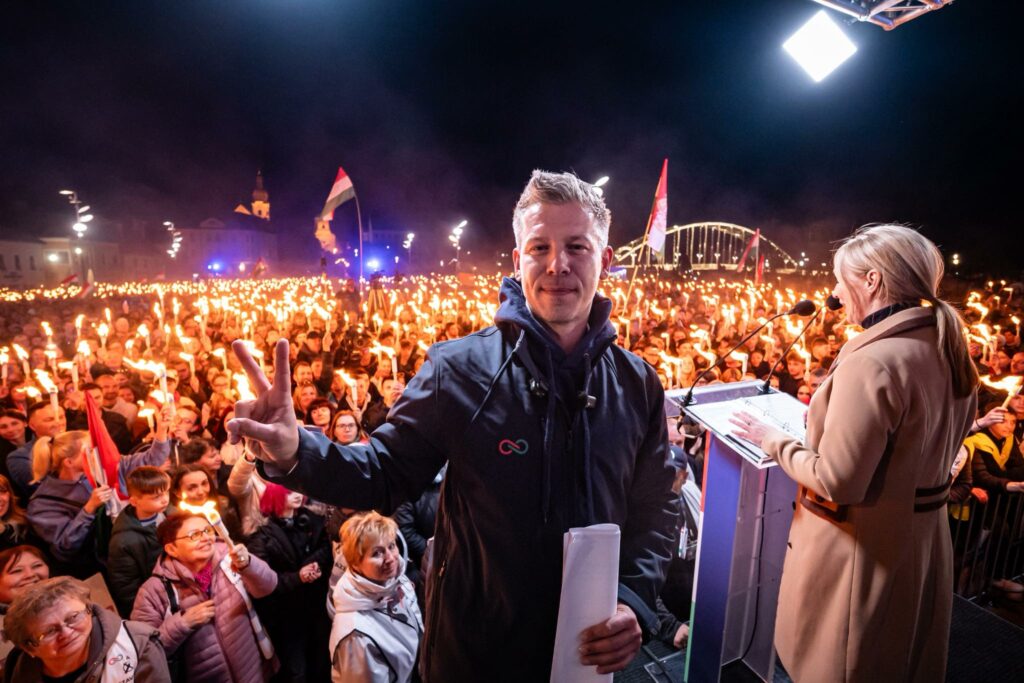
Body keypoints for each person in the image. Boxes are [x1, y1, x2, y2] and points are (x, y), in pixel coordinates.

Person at [228, 171, 678, 680]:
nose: (558, 264)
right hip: (477, 657)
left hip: (588, 656)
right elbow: (383, 472)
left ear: (606, 259)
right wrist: (295, 452)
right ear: (518, 260)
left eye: (577, 246)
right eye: (540, 247)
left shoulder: (637, 383)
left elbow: (656, 508)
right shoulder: (459, 370)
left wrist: (634, 599)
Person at [731, 224, 977, 683]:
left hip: (864, 552)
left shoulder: (873, 361)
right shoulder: (945, 347)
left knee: (848, 664)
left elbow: (838, 481)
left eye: (841, 278)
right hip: (921, 541)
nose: (836, 291)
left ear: (872, 280)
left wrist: (772, 439)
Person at [131, 513, 278, 683]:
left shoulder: (229, 559)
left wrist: (248, 565)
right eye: (194, 535)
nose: (206, 538)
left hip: (252, 669)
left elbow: (269, 585)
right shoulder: (154, 591)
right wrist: (182, 624)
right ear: (172, 549)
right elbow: (143, 652)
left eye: (208, 530)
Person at [27, 430, 169, 579]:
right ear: (69, 462)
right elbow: (64, 547)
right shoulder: (43, 502)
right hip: (97, 569)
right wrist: (89, 508)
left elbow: (152, 459)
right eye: (90, 450)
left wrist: (161, 431)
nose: (98, 453)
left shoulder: (105, 467)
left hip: (138, 545)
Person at [3, 576, 169, 681]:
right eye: (50, 631)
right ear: (29, 648)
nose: (66, 633)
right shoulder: (17, 671)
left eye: (73, 618)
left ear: (89, 610)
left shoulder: (138, 643)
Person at [245, 484, 332, 683]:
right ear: (275, 496)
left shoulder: (311, 519)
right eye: (289, 492)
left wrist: (312, 565)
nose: (298, 495)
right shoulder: (260, 535)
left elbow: (325, 547)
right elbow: (264, 578)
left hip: (315, 602)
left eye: (298, 490)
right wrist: (297, 577)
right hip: (286, 610)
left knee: (321, 656)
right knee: (296, 666)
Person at [330, 511, 422, 683]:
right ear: (355, 563)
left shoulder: (397, 581)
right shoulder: (355, 636)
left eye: (391, 546)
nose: (390, 558)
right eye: (377, 553)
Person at [107, 467, 172, 617]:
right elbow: (126, 587)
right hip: (155, 605)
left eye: (166, 492)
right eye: (156, 497)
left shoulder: (163, 513)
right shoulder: (123, 541)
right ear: (134, 501)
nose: (165, 499)